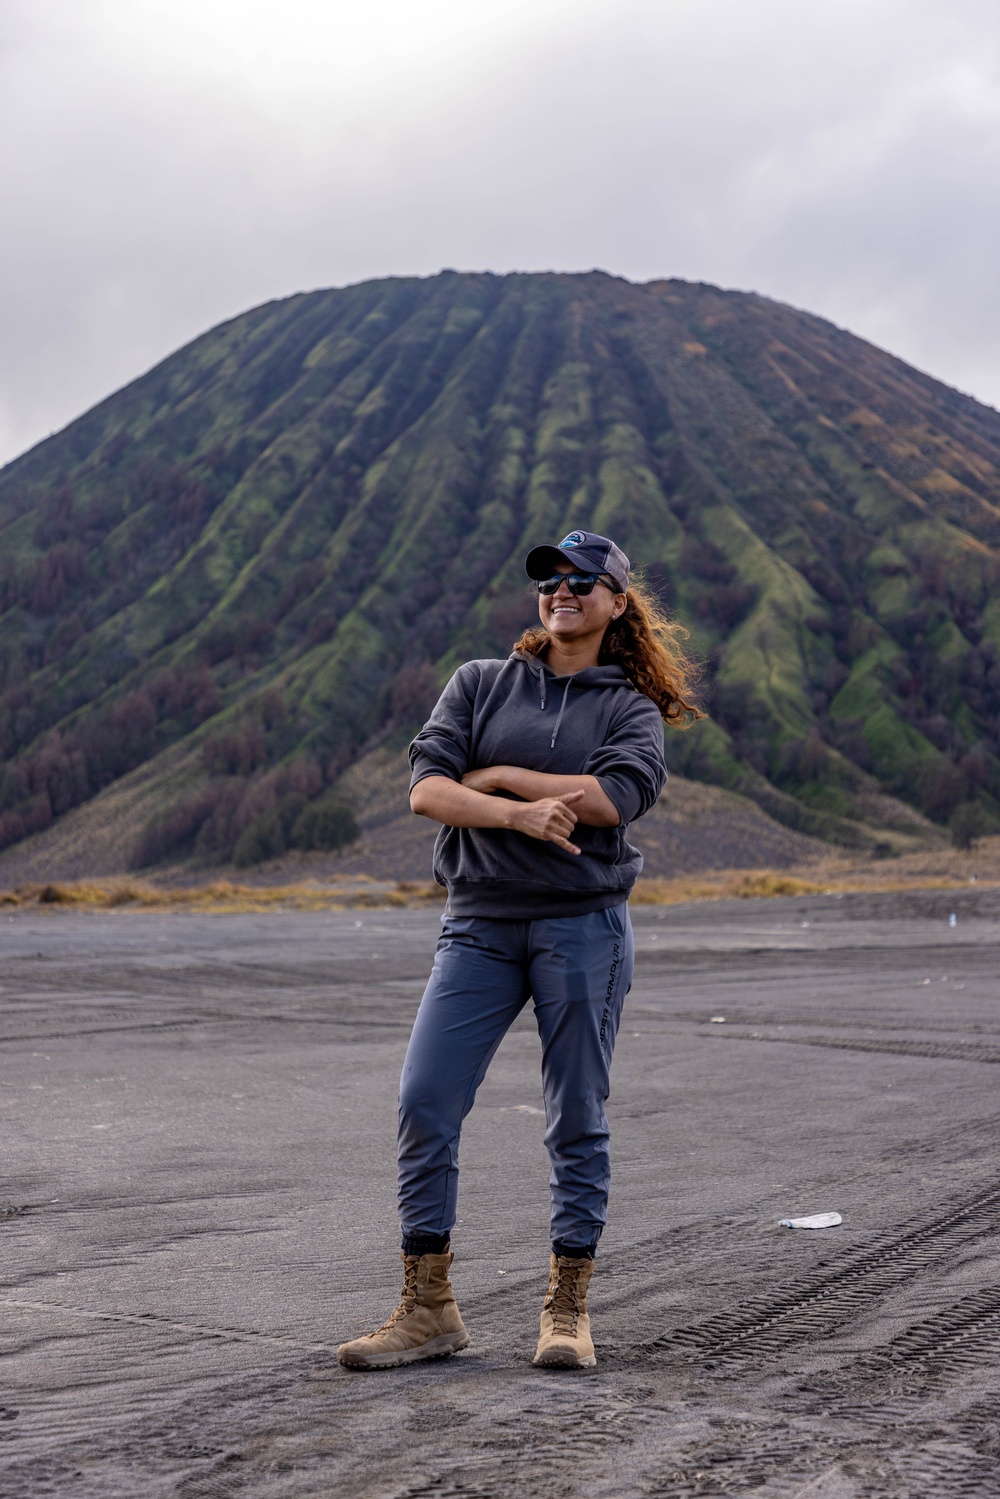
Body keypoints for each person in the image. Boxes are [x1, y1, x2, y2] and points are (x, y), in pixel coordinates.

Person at [337, 530, 701, 1371]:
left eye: (581, 579)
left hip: (582, 925)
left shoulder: (629, 708)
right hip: (479, 922)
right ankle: (429, 1308)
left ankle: (567, 1309)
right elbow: (428, 789)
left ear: (616, 602)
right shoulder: (480, 683)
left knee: (576, 1115)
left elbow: (612, 799)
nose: (560, 589)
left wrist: (497, 775)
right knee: (425, 1098)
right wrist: (515, 811)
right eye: (548, 577)